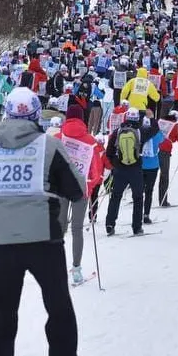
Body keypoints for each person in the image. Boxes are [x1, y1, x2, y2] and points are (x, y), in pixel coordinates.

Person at [0, 86, 87, 356]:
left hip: (2, 238)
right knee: (58, 307)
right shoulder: (48, 145)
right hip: (42, 236)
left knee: (2, 313)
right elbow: (76, 189)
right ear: (35, 115)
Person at [54, 102, 105, 285]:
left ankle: (55, 267)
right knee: (77, 229)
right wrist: (91, 186)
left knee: (59, 227)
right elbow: (96, 171)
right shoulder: (90, 141)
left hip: (60, 187)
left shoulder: (58, 137)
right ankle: (76, 269)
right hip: (80, 189)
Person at [104, 108, 156, 236]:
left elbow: (109, 152)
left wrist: (115, 164)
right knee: (138, 198)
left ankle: (110, 225)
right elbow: (155, 129)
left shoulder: (117, 132)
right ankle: (137, 227)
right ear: (137, 118)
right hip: (135, 169)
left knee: (115, 197)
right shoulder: (140, 132)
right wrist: (151, 117)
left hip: (120, 169)